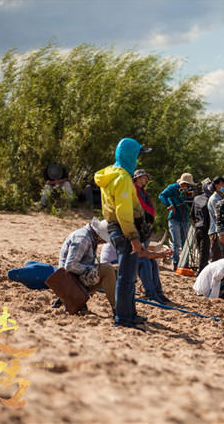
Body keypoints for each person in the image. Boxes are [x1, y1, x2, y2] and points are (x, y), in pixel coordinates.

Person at [94, 137, 151, 328]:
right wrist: (134, 237)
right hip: (124, 229)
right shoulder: (123, 178)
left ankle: (130, 314)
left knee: (128, 275)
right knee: (126, 278)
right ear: (130, 155)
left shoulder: (110, 175)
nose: (139, 160)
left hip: (114, 228)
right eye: (138, 155)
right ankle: (123, 318)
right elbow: (123, 211)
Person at [57, 217, 116, 311]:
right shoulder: (83, 238)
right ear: (98, 235)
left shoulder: (90, 237)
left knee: (115, 270)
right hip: (69, 281)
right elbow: (70, 265)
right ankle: (117, 309)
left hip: (75, 278)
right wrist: (94, 268)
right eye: (104, 240)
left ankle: (117, 306)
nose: (103, 242)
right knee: (108, 270)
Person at [158, 173, 194, 270]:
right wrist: (168, 205)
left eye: (188, 184)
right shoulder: (173, 188)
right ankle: (176, 264)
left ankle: (185, 264)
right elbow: (161, 195)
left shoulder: (190, 191)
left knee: (185, 243)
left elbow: (192, 205)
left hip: (185, 219)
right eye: (184, 184)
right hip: (174, 219)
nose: (185, 186)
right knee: (176, 243)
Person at [191, 180, 213, 273]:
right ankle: (201, 274)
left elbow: (192, 214)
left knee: (201, 253)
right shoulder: (210, 200)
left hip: (197, 228)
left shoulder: (196, 198)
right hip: (206, 229)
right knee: (204, 254)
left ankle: (201, 272)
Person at [207, 176, 224, 262]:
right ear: (216, 186)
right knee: (216, 258)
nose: (223, 187)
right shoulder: (214, 199)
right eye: (221, 184)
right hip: (216, 231)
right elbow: (218, 215)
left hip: (219, 231)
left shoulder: (221, 198)